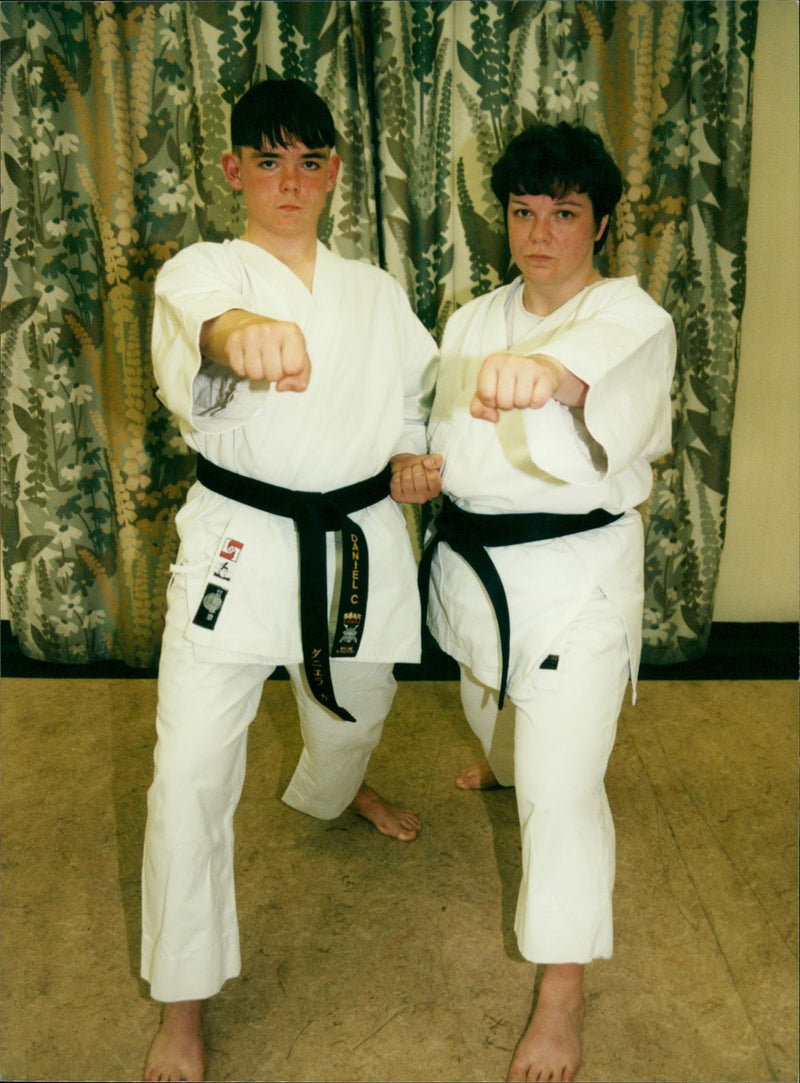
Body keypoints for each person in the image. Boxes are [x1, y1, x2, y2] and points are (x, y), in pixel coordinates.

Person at [141, 78, 442, 1082]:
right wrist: (241, 341)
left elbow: (410, 396)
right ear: (232, 170)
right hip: (236, 543)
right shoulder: (202, 269)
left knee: (353, 721)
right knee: (187, 776)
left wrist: (410, 454)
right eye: (267, 161)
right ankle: (182, 1006)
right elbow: (206, 328)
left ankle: (333, 790)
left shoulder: (373, 292)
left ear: (334, 173)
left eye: (309, 162)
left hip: (357, 540)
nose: (289, 183)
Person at [422, 121, 676, 1081]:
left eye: (563, 214)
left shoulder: (630, 315)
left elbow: (581, 370)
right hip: (479, 574)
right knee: (493, 714)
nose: (539, 234)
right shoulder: (472, 317)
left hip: (575, 579)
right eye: (524, 212)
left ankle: (561, 991)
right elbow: (441, 432)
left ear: (599, 222)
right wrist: (420, 467)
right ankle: (503, 757)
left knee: (561, 791)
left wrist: (547, 379)